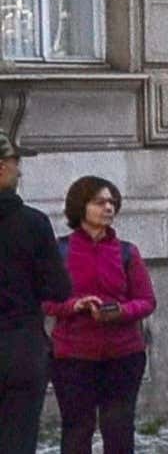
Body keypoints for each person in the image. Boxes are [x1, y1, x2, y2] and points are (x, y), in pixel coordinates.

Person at [44, 177, 154, 454]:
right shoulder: (60, 251)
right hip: (73, 357)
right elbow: (46, 300)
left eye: (112, 202)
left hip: (123, 355)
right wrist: (75, 305)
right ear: (82, 207)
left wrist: (120, 312)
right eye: (100, 202)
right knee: (77, 430)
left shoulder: (127, 252)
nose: (108, 207)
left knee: (118, 429)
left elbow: (147, 301)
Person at [0, 133, 70, 454]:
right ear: (2, 168)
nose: (20, 170)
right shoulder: (33, 223)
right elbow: (59, 288)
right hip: (20, 346)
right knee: (19, 436)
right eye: (17, 163)